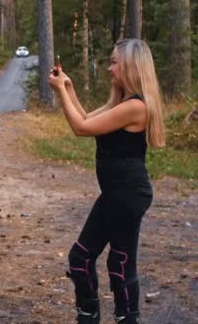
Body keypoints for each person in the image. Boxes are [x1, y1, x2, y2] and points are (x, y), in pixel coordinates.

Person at [48, 39, 166, 324]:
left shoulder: (137, 107)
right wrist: (68, 88)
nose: (109, 68)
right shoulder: (123, 103)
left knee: (120, 263)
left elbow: (81, 128)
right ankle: (87, 318)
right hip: (116, 193)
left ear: (132, 67)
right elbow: (87, 117)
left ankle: (128, 319)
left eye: (115, 62)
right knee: (81, 258)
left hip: (128, 194)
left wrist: (59, 92)